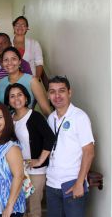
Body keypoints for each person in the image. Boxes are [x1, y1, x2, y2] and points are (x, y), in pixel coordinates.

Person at [46, 76, 95, 217]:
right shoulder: (51, 118)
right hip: (52, 184)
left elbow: (89, 152)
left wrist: (80, 183)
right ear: (48, 95)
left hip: (72, 183)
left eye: (61, 91)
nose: (57, 96)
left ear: (69, 92)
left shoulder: (79, 117)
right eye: (52, 91)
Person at [4, 83, 55, 217]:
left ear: (26, 98)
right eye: (12, 96)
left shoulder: (35, 116)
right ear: (8, 101)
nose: (16, 99)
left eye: (19, 95)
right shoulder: (9, 119)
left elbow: (50, 138)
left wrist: (40, 160)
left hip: (35, 171)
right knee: (20, 206)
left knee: (33, 207)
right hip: (17, 170)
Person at [0, 46, 51, 117]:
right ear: (2, 63)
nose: (9, 63)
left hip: (27, 125)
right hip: (6, 126)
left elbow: (46, 110)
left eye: (13, 59)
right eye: (6, 60)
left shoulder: (31, 81)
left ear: (20, 61)